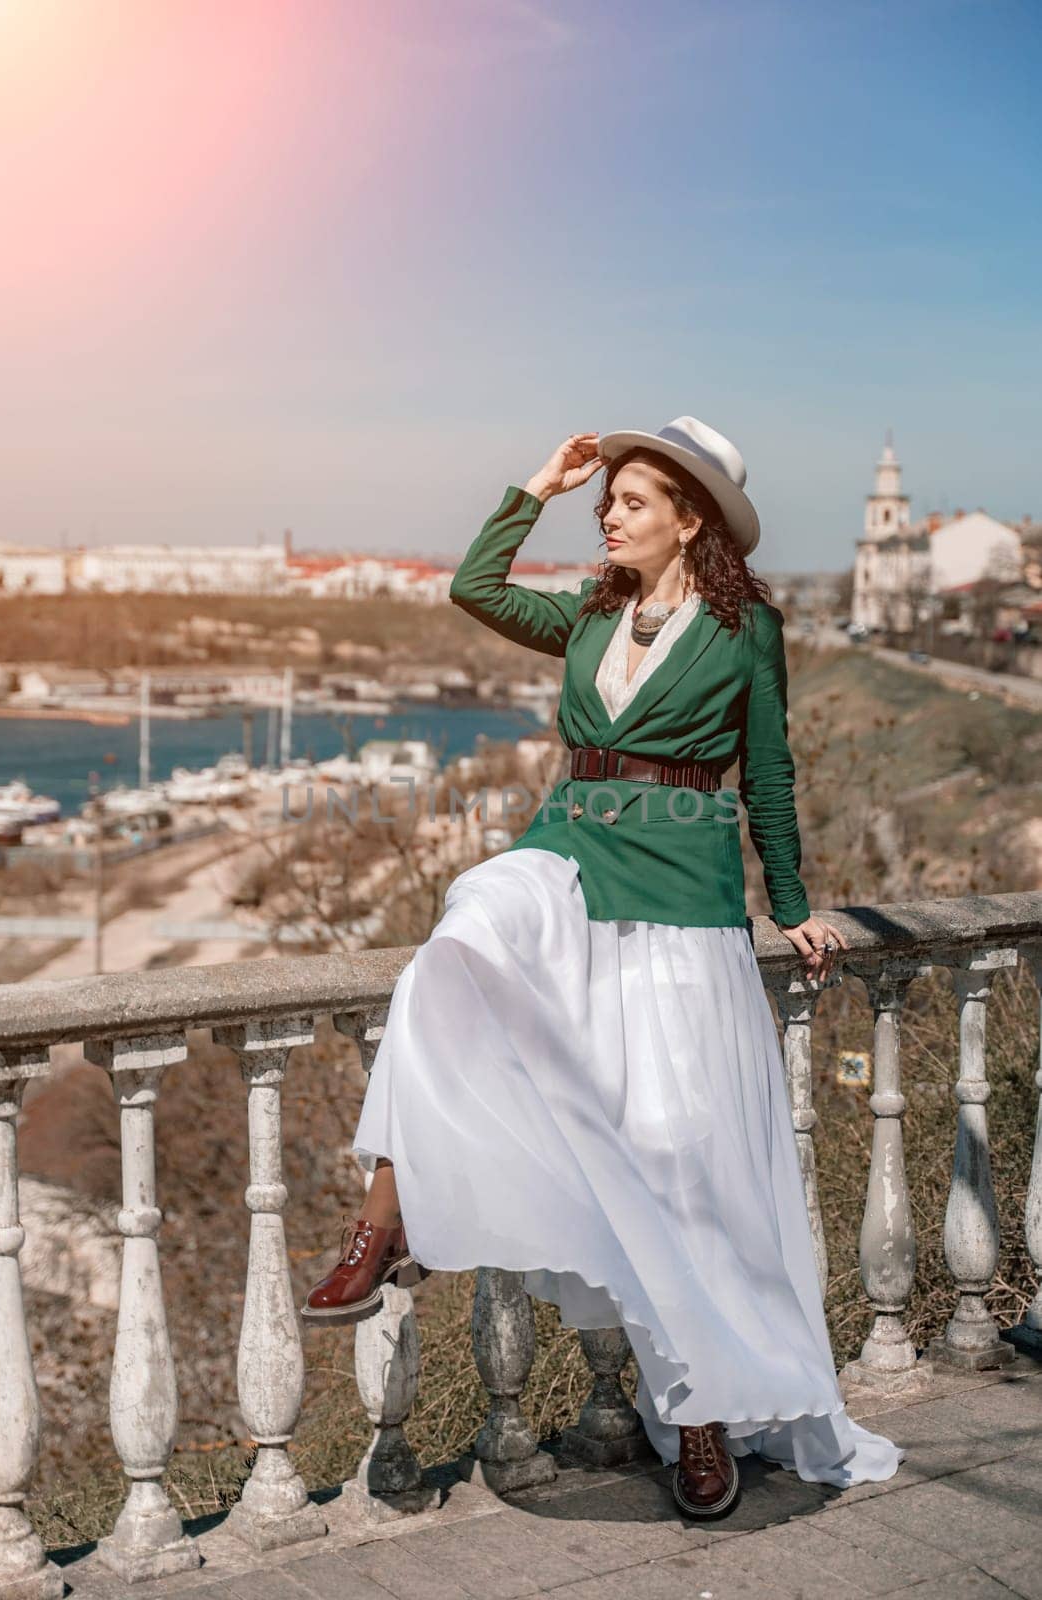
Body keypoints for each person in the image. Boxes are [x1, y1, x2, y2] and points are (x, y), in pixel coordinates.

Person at [301, 416, 906, 1519]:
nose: (611, 514)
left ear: (691, 519)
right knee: (453, 951)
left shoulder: (745, 630)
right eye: (606, 501)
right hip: (568, 854)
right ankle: (385, 1217)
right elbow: (475, 587)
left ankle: (703, 1417)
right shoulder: (587, 614)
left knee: (677, 1157)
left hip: (678, 898)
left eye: (632, 500)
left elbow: (767, 768)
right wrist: (535, 484)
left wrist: (792, 903)